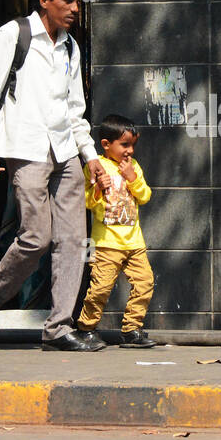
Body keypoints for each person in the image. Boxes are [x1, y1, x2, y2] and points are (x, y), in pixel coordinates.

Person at [0, 0, 113, 353]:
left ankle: (58, 328)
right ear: (44, 1)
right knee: (36, 237)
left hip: (66, 151)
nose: (74, 9)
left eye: (77, 2)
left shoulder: (70, 46)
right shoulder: (12, 36)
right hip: (27, 150)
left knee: (71, 240)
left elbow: (74, 108)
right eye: (67, 1)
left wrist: (91, 156)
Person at [77, 114, 155, 348]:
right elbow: (87, 202)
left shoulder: (133, 168)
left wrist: (133, 179)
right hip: (105, 244)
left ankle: (132, 328)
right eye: (124, 144)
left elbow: (145, 196)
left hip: (134, 243)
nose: (130, 150)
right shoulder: (96, 167)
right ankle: (86, 328)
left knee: (145, 282)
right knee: (100, 288)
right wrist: (98, 189)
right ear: (106, 145)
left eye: (132, 145)